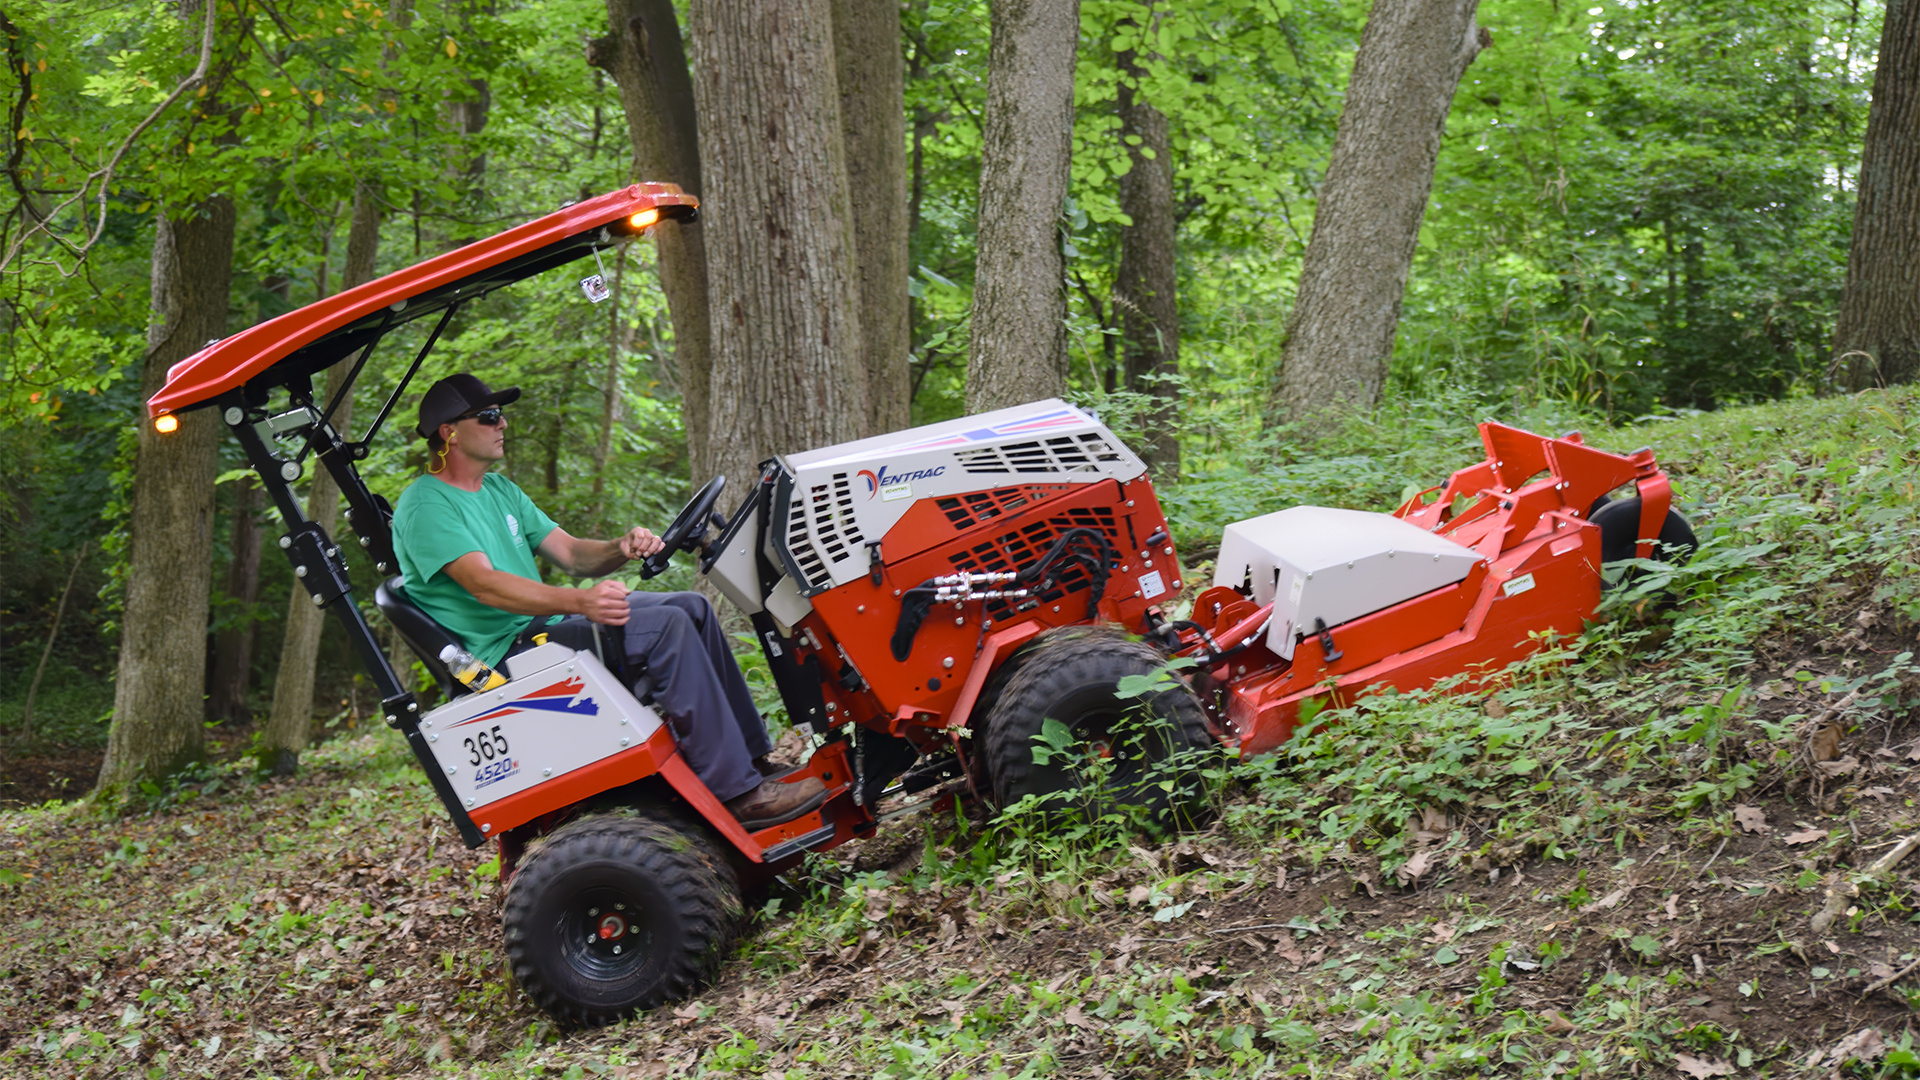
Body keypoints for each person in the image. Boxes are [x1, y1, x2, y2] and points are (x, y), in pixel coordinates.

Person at [391, 373, 826, 828]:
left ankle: (755, 765)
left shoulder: (501, 491)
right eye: (490, 416)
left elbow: (572, 553)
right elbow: (485, 585)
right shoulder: (426, 505)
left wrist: (619, 546)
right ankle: (738, 793)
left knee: (691, 608)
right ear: (449, 432)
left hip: (544, 630)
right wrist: (581, 603)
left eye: (501, 414)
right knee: (666, 628)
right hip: (507, 653)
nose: (503, 424)